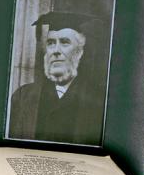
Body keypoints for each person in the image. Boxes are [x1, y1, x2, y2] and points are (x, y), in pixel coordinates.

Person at [8, 10, 108, 145]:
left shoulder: (98, 101)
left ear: (79, 52)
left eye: (64, 42)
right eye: (51, 43)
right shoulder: (23, 97)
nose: (56, 50)